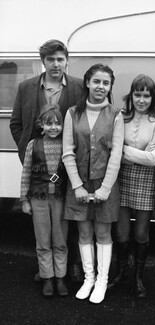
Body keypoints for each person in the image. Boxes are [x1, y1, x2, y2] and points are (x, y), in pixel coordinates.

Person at [9, 39, 84, 283]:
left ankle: (70, 266)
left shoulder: (78, 86)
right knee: (43, 224)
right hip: (40, 165)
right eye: (50, 59)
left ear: (66, 61)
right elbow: (16, 124)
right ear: (43, 62)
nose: (55, 64)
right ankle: (46, 271)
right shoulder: (26, 87)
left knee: (67, 219)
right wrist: (28, 152)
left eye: (60, 59)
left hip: (69, 164)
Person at [62, 63, 124, 304]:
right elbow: (68, 152)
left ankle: (101, 281)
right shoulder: (71, 113)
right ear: (87, 83)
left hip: (105, 184)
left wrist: (105, 189)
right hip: (78, 183)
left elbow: (116, 155)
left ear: (110, 87)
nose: (101, 86)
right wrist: (77, 185)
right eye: (96, 81)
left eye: (106, 83)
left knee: (103, 232)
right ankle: (88, 278)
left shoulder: (117, 115)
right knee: (84, 231)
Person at [108, 74, 155, 298]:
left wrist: (122, 150)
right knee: (122, 232)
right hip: (120, 179)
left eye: (146, 95)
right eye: (137, 94)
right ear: (131, 95)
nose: (141, 100)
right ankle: (121, 274)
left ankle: (138, 277)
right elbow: (113, 151)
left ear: (152, 97)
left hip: (145, 180)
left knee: (141, 234)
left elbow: (153, 159)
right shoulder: (120, 117)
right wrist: (141, 153)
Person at [21, 104, 68, 297]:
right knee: (43, 240)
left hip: (60, 199)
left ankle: (60, 277)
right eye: (49, 124)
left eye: (58, 123)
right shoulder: (33, 144)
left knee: (60, 240)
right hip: (38, 198)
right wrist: (24, 199)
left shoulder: (67, 145)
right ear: (41, 125)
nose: (54, 127)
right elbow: (26, 173)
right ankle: (47, 277)